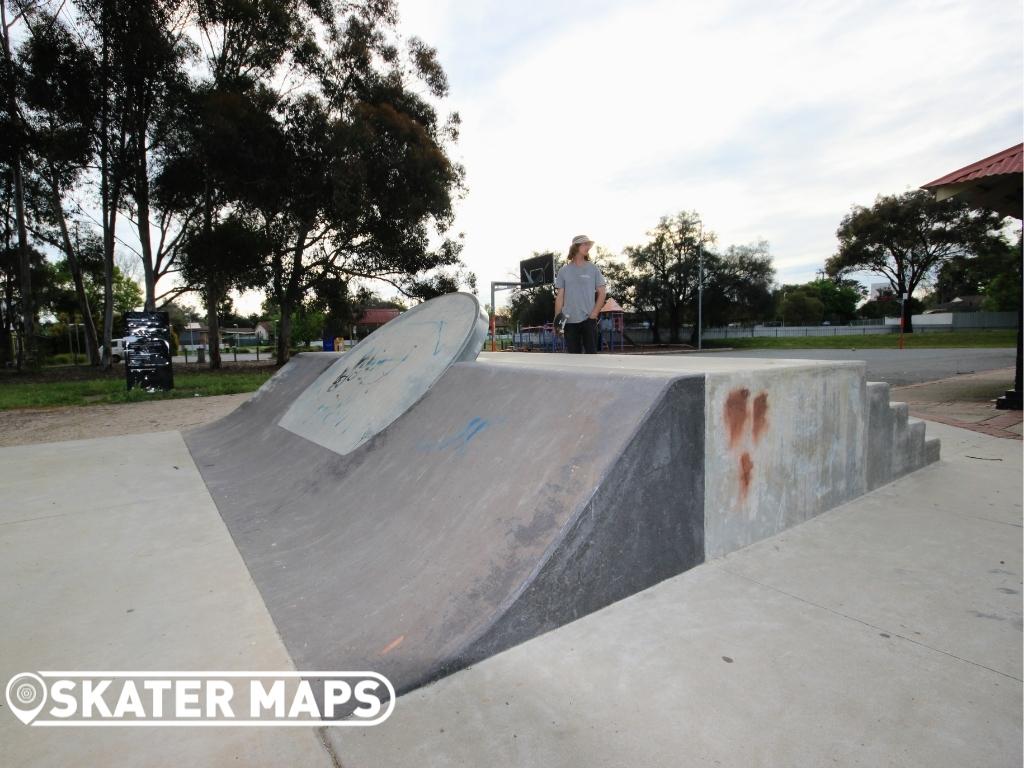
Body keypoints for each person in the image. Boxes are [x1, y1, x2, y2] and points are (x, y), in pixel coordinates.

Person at [554, 235, 607, 354]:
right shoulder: (564, 271)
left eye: (588, 244)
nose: (587, 247)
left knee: (592, 358)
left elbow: (602, 293)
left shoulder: (593, 269)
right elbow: (560, 297)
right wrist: (557, 321)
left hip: (589, 320)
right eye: (584, 244)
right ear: (576, 247)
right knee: (573, 360)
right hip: (569, 322)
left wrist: (594, 314)